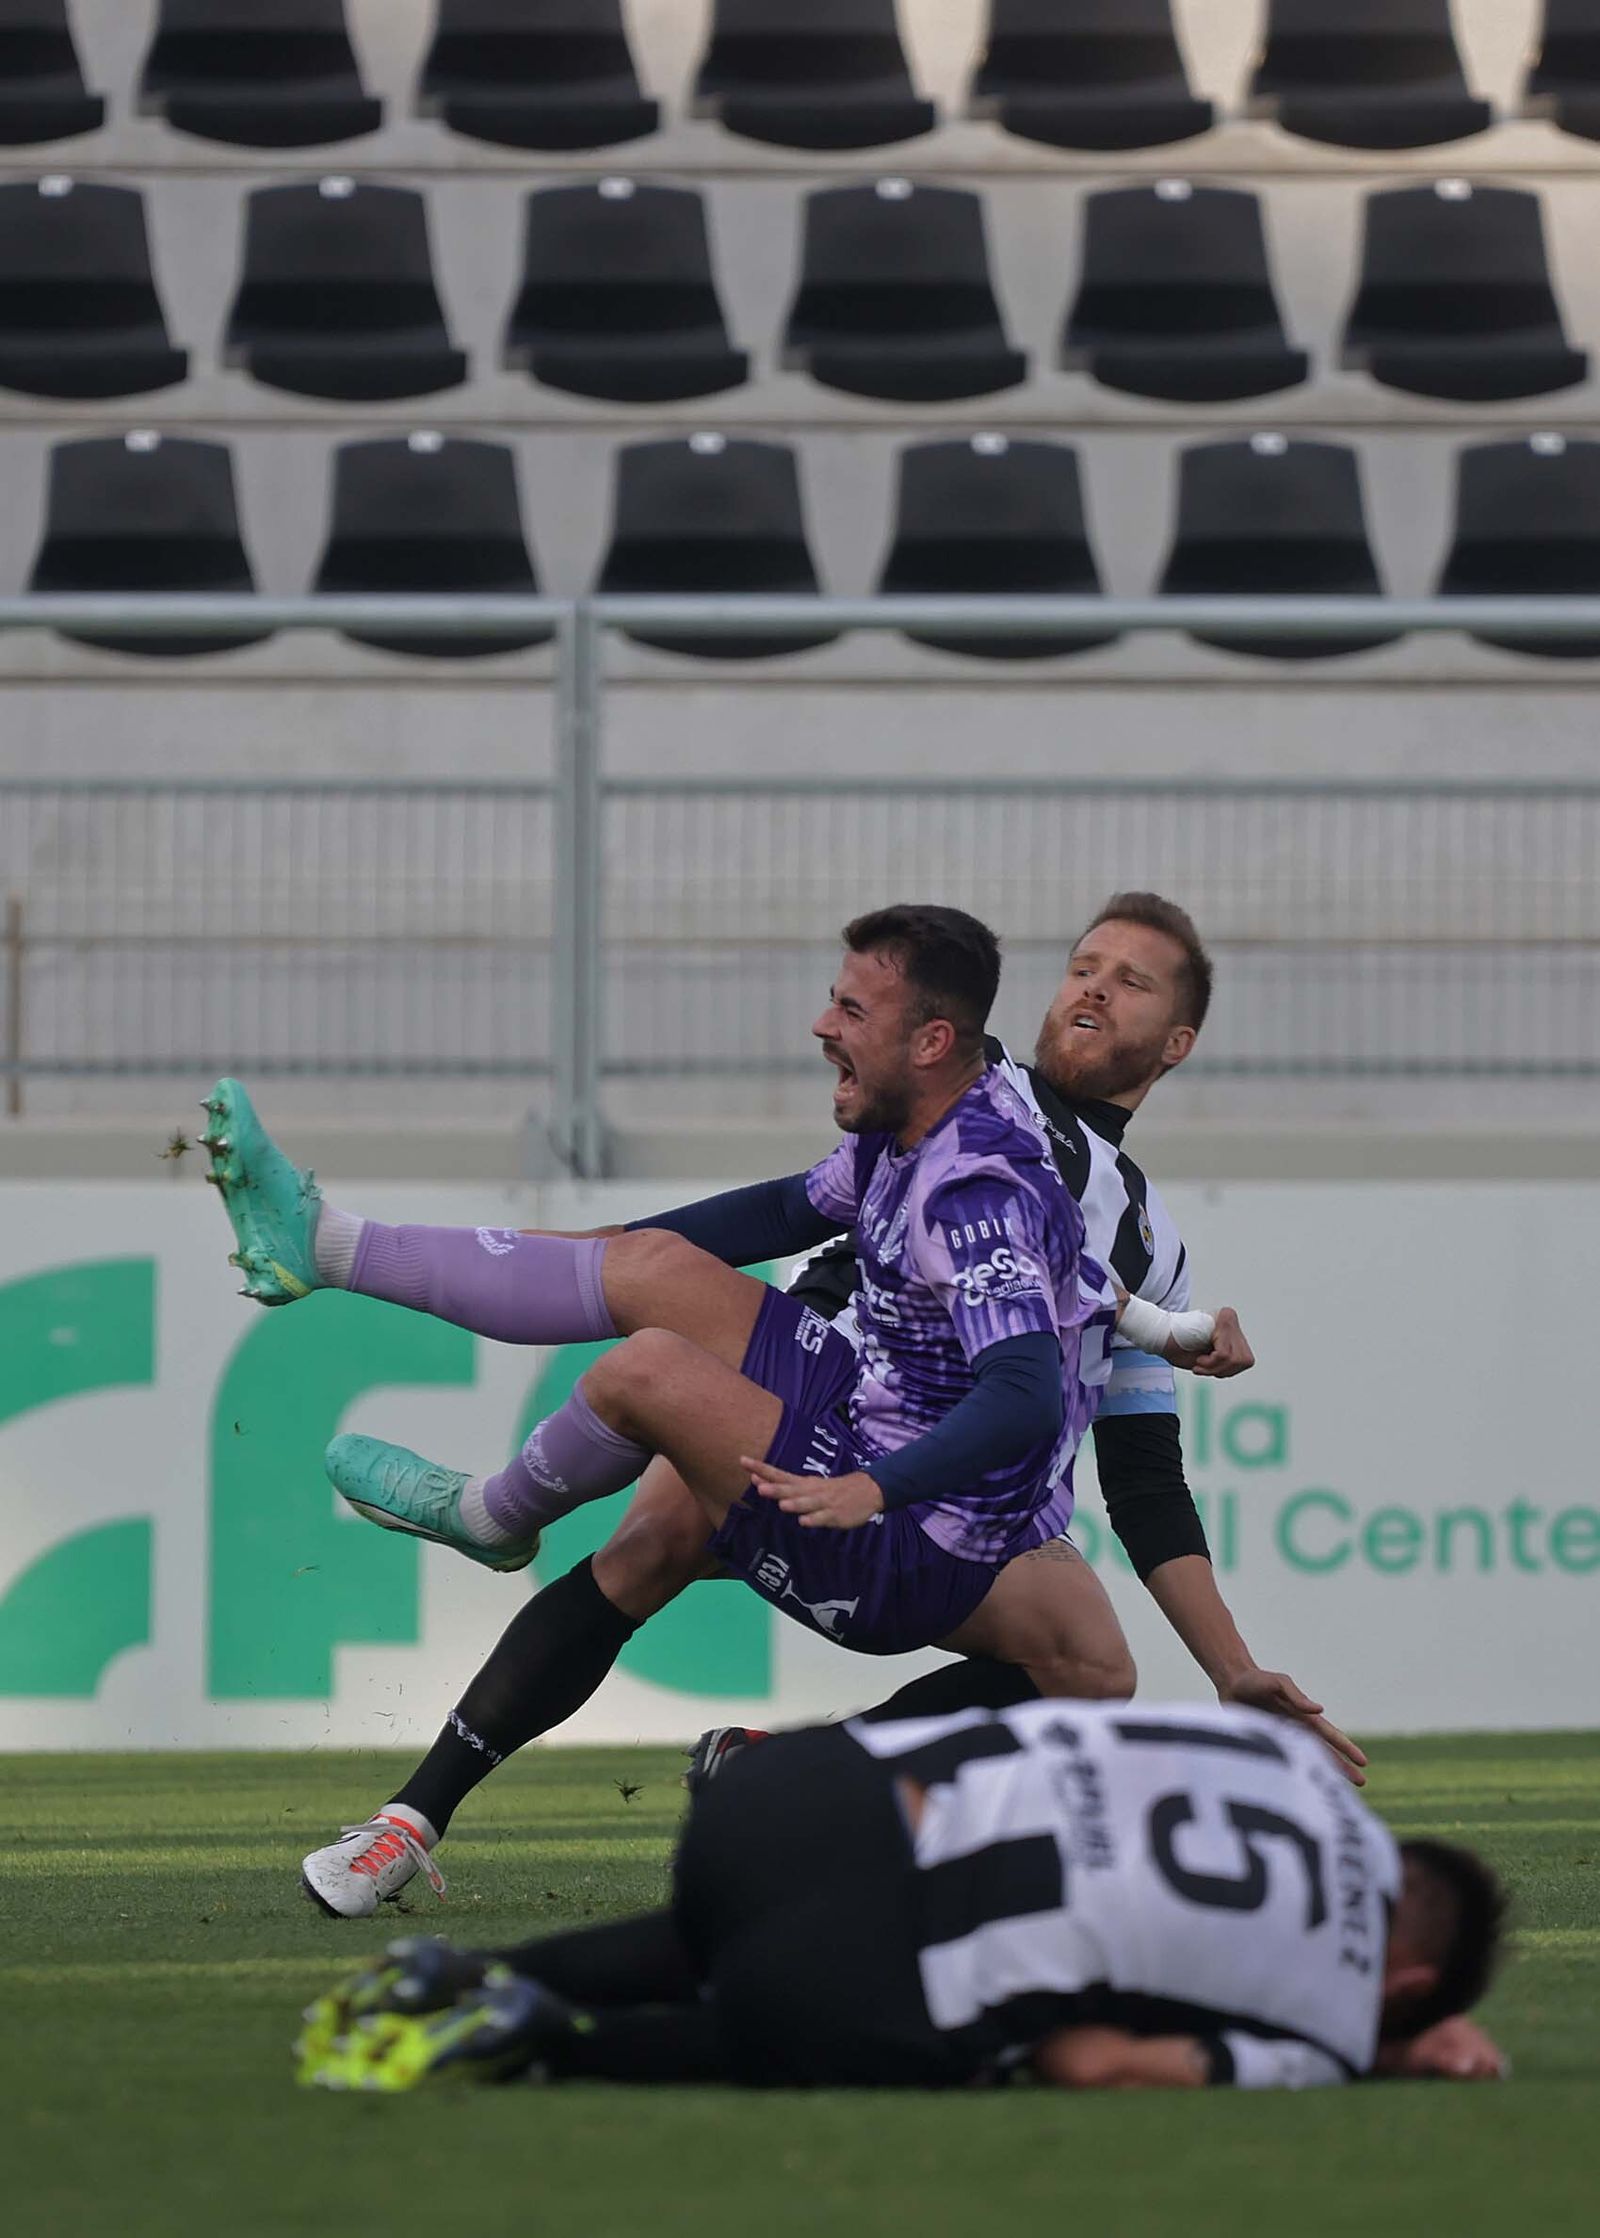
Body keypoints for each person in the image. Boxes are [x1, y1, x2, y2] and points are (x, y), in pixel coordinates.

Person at [290, 894, 1361, 1917]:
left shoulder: (1153, 1239)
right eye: (1082, 966)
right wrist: (609, 1260)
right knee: (646, 1538)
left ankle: (778, 1768)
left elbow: (1138, 1473)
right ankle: (409, 1818)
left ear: (1175, 1042)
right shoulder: (979, 1094)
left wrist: (1232, 1671)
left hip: (934, 1486)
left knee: (1091, 1669)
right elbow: (796, 1226)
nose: (1092, 990)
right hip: (823, 1397)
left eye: (1130, 984)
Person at [294, 1700, 1508, 2095]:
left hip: (789, 1789)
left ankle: (483, 1969)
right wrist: (1377, 2044)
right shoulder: (1343, 2022)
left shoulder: (1289, 1762)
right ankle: (546, 2036)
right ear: (1409, 1977)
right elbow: (1094, 2062)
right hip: (835, 1959)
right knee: (938, 2029)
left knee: (764, 1925)